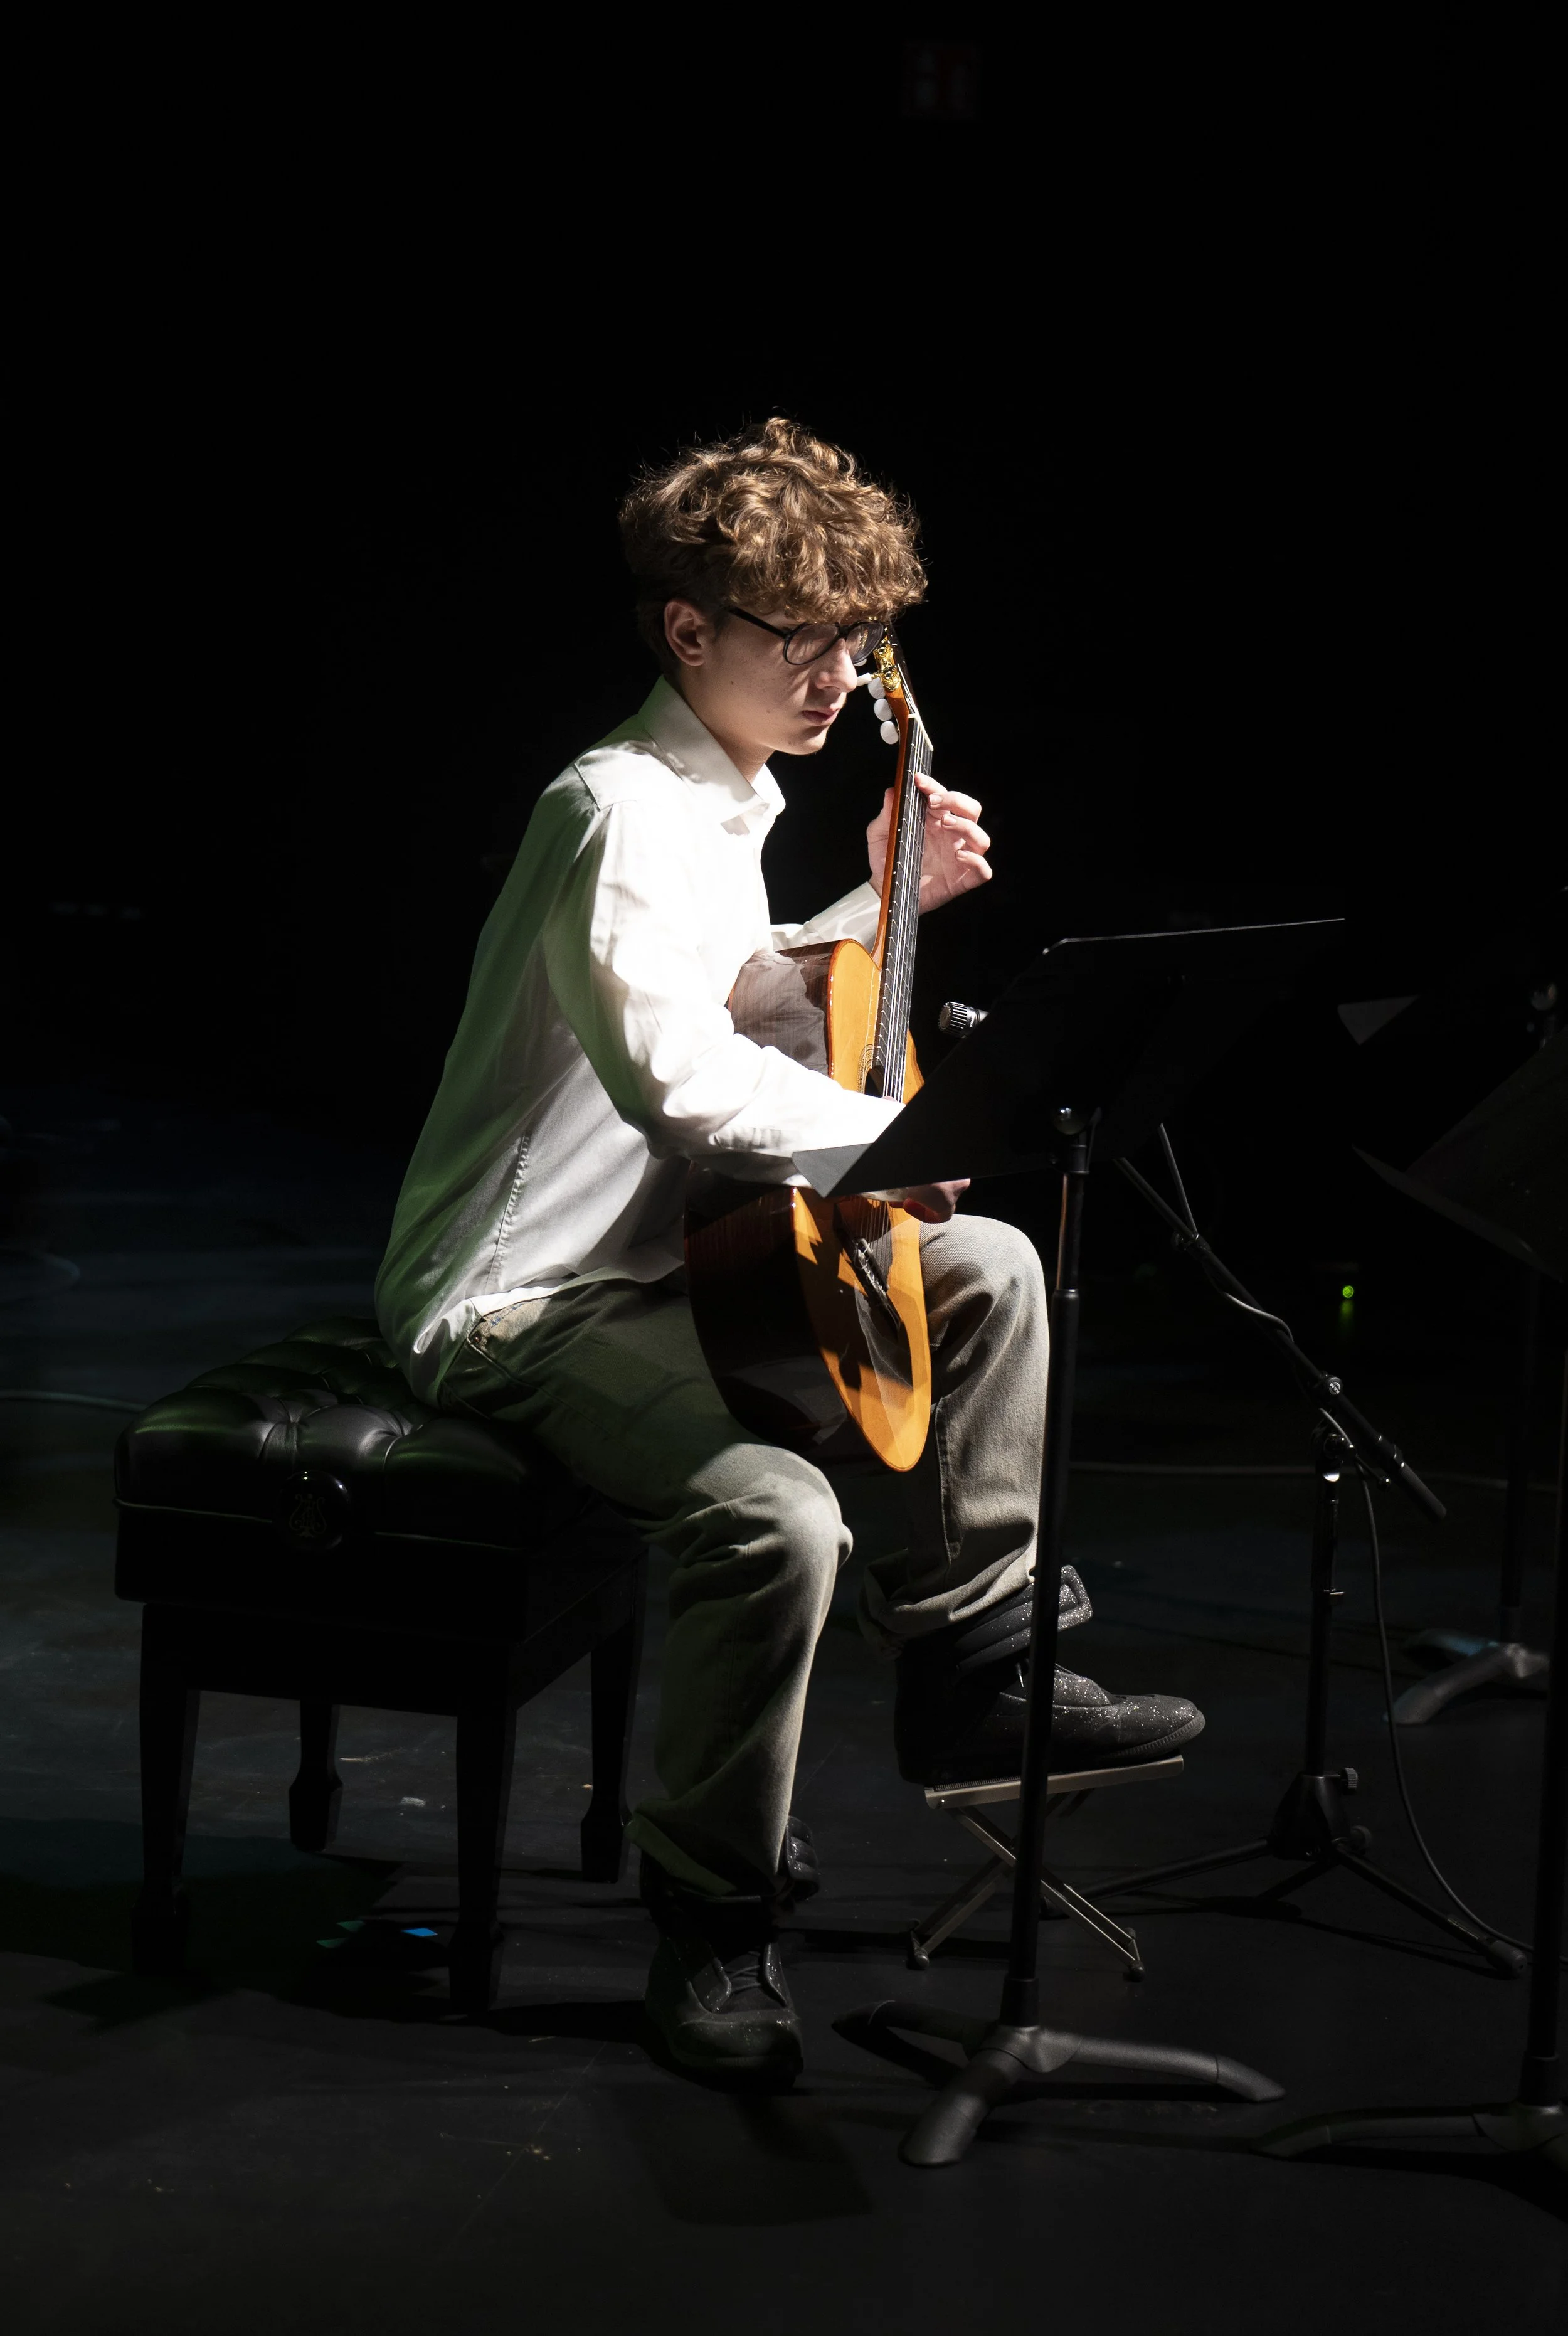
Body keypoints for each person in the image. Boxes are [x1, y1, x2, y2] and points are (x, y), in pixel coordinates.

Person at [375, 418, 1202, 2085]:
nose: (838, 677)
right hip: (521, 1297)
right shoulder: (615, 808)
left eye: (859, 641)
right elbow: (677, 1079)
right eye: (801, 640)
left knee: (993, 1273)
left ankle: (973, 1657)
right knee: (774, 1512)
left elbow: (737, 990)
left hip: (663, 1260)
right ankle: (712, 1916)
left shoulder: (729, 795)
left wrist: (875, 903)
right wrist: (892, 1147)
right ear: (688, 631)